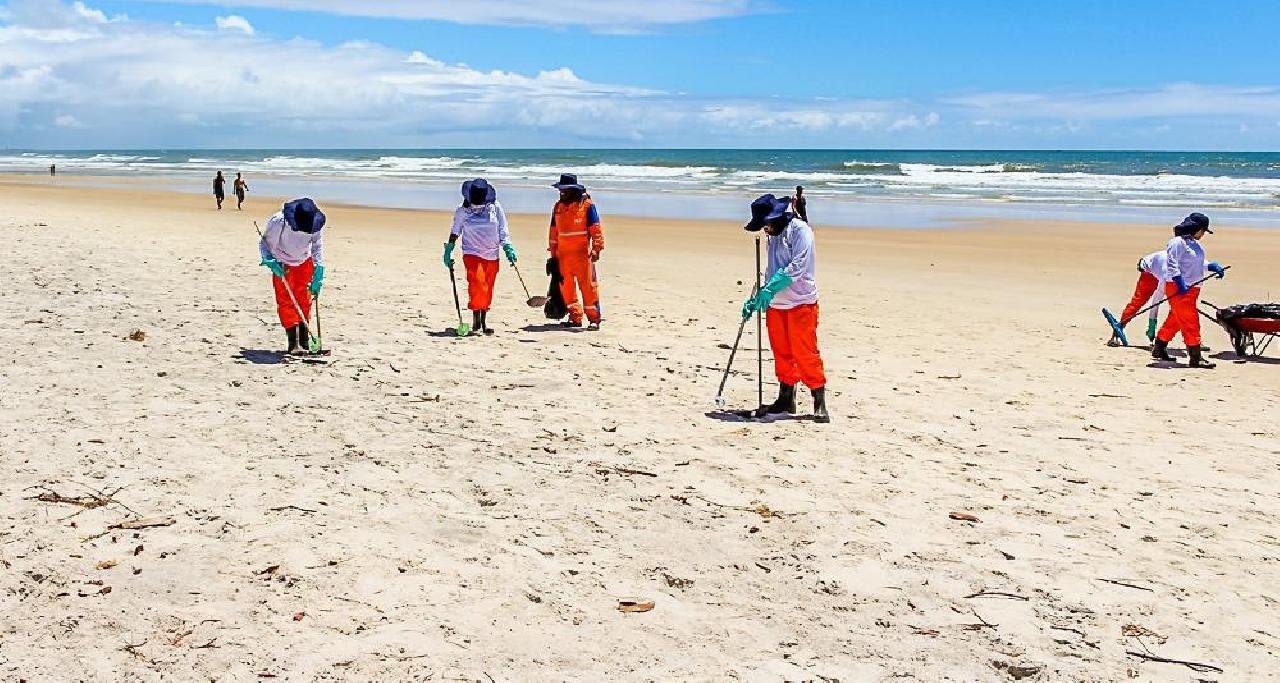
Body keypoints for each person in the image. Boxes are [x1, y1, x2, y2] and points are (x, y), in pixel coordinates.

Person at [742, 193, 829, 423]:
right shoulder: (772, 235)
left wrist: (771, 288)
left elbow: (797, 266)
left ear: (777, 217)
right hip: (776, 305)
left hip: (801, 302)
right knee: (781, 352)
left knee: (805, 352)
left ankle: (819, 401)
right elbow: (770, 269)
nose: (765, 230)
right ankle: (786, 397)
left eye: (766, 225)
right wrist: (757, 295)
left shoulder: (801, 231)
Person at [443, 178, 516, 336]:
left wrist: (508, 247)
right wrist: (449, 249)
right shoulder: (462, 211)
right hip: (472, 254)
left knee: (488, 288)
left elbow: (503, 230)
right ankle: (477, 319)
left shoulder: (495, 208)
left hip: (492, 254)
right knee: (477, 286)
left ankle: (483, 321)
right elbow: (455, 231)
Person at [1152, 212, 1226, 367]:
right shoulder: (1177, 242)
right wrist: (1179, 282)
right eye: (1203, 231)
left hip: (1192, 289)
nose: (1203, 234)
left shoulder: (1195, 244)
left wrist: (1211, 266)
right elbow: (1171, 264)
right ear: (1196, 228)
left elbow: (1196, 264)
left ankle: (1159, 347)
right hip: (1178, 288)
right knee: (1191, 321)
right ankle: (1195, 357)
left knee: (1176, 320)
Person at [258, 198, 326, 354]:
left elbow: (317, 247)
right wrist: (269, 260)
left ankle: (305, 340)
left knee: (305, 300)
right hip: (282, 263)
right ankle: (292, 343)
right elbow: (264, 244)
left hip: (305, 262)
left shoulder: (314, 223)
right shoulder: (278, 222)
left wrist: (319, 270)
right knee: (286, 301)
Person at [547, 173, 604, 329]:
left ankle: (594, 319)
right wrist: (553, 257)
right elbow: (553, 233)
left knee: (588, 288)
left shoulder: (587, 206)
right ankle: (575, 317)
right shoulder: (557, 208)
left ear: (574, 190)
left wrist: (597, 248)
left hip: (583, 256)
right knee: (567, 290)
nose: (562, 193)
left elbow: (596, 229)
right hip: (563, 257)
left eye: (565, 190)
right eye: (560, 190)